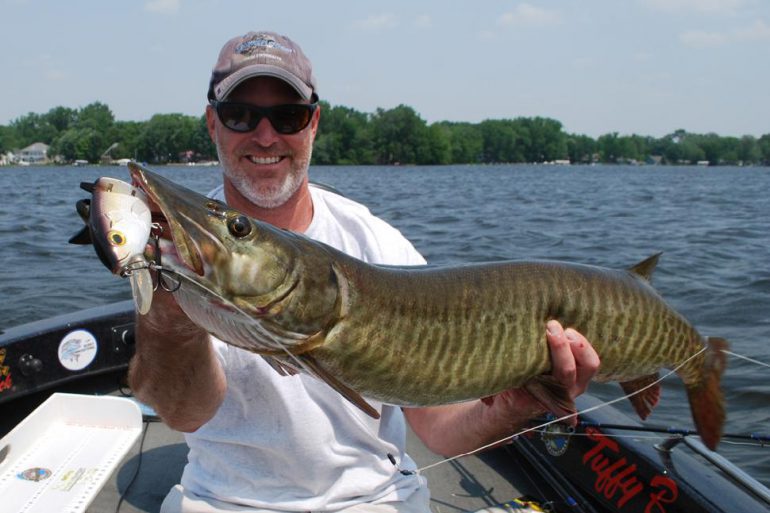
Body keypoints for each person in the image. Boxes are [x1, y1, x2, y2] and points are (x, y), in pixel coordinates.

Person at [128, 31, 601, 513]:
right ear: (213, 123)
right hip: (225, 502)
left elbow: (438, 427)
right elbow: (184, 413)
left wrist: (514, 406)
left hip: (376, 500)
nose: (265, 136)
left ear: (313, 124)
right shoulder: (189, 253)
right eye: (240, 115)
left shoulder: (376, 242)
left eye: (288, 116)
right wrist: (169, 312)